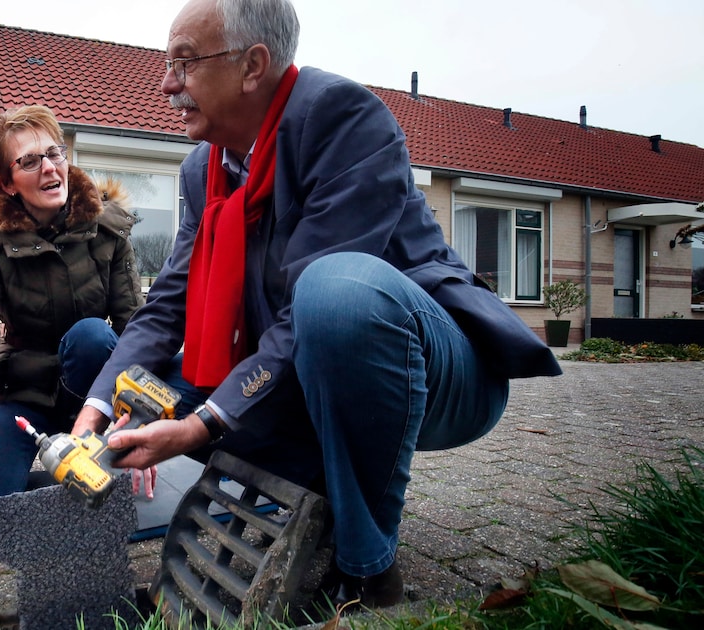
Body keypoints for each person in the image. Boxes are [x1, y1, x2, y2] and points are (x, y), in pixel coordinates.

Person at [73, 0, 563, 610]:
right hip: (302, 371)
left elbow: (309, 313)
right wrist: (97, 407)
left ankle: (368, 571)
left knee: (335, 291)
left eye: (185, 63)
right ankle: (318, 487)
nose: (168, 84)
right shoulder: (204, 168)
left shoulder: (342, 119)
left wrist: (203, 423)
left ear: (253, 65)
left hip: (431, 371)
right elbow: (169, 298)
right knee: (113, 367)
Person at [0, 105, 145, 526]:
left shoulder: (108, 228)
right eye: (30, 161)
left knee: (93, 336)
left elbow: (136, 329)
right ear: (7, 181)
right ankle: (51, 454)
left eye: (55, 153)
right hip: (25, 393)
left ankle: (85, 440)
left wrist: (142, 421)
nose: (50, 168)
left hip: (90, 390)